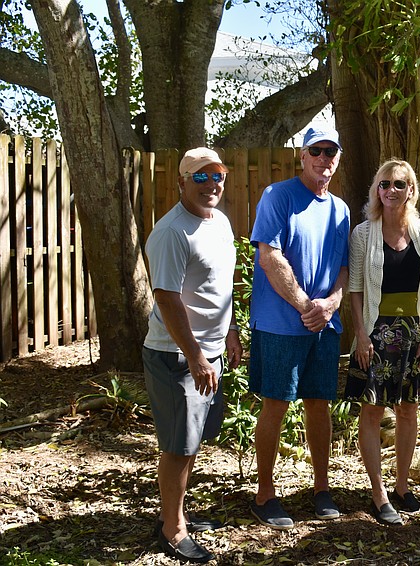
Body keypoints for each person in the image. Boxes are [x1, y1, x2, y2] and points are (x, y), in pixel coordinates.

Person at [143, 147, 242, 564]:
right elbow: (167, 299)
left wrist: (231, 330)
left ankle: (176, 511)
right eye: (200, 177)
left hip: (208, 353)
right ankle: (172, 529)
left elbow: (220, 284)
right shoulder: (171, 233)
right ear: (181, 182)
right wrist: (197, 356)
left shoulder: (219, 222)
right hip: (177, 357)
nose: (211, 184)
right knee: (179, 446)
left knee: (193, 438)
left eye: (217, 175)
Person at [248, 127, 350, 529]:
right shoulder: (278, 196)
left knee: (319, 404)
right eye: (317, 150)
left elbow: (344, 267)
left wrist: (332, 303)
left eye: (331, 152)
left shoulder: (340, 210)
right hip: (281, 325)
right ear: (302, 155)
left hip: (325, 324)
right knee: (276, 403)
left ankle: (321, 489)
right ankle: (265, 494)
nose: (324, 158)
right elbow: (269, 257)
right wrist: (306, 305)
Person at [345, 159, 420, 525]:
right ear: (377, 190)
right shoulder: (362, 234)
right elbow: (355, 290)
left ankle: (401, 485)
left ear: (411, 190)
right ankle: (378, 491)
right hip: (375, 332)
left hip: (415, 333)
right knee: (371, 411)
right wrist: (360, 335)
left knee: (408, 409)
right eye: (384, 184)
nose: (390, 190)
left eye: (398, 184)